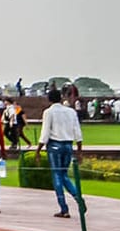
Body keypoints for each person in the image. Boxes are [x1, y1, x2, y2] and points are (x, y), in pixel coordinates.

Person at [36, 87, 84, 219]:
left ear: (49, 99)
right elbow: (78, 132)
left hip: (55, 145)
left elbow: (45, 133)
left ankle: (64, 208)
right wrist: (79, 151)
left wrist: (38, 150)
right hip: (68, 145)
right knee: (64, 175)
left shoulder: (49, 112)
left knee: (57, 176)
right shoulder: (71, 112)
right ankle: (78, 197)